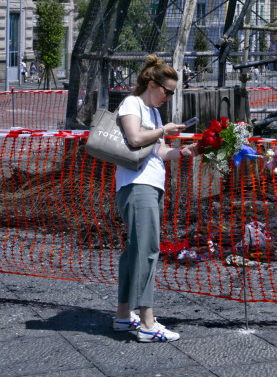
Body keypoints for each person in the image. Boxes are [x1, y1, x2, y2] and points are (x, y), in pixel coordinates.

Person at [112, 54, 191, 342]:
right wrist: (164, 130)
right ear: (151, 83)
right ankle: (147, 323)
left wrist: (185, 151)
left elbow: (159, 152)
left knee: (135, 252)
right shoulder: (132, 103)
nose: (169, 97)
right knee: (147, 251)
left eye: (172, 92)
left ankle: (123, 316)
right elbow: (134, 138)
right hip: (137, 185)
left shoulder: (155, 113)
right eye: (167, 91)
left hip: (151, 184)